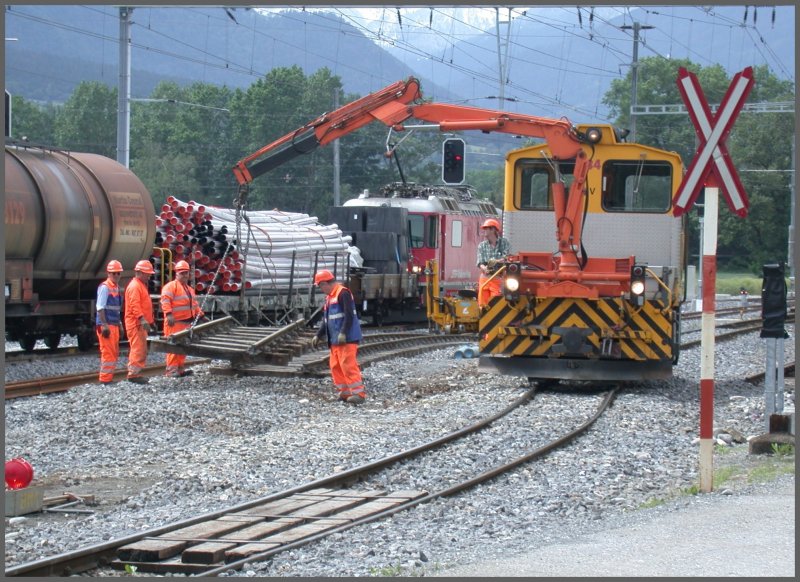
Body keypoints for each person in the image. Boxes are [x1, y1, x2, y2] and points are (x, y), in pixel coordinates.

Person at [311, 270, 366, 404]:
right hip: (335, 339)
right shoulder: (330, 297)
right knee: (336, 366)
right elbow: (327, 320)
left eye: (320, 286)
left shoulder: (343, 293)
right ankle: (346, 393)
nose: (321, 289)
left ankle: (358, 394)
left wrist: (343, 332)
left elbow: (349, 315)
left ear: (324, 283)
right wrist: (318, 335)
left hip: (347, 338)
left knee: (347, 365)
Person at [160, 260, 205, 377]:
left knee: (182, 347)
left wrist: (202, 316)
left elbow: (194, 306)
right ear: (177, 273)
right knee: (173, 347)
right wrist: (168, 314)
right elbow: (165, 300)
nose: (185, 275)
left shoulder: (189, 289)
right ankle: (171, 371)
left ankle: (180, 369)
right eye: (182, 273)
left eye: (186, 273)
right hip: (174, 323)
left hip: (186, 323)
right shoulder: (170, 287)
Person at [124, 259, 156, 384]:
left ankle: (135, 374)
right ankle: (133, 375)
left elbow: (143, 305)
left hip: (138, 323)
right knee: (138, 349)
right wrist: (142, 319)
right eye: (147, 274)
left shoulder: (139, 285)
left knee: (140, 348)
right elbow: (134, 305)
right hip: (136, 324)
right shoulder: (135, 286)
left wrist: (150, 321)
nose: (149, 276)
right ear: (140, 272)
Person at [96, 260, 124, 385]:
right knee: (108, 352)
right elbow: (100, 307)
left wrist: (120, 324)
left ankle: (108, 378)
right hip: (107, 325)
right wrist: (104, 325)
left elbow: (117, 309)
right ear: (108, 273)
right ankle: (105, 379)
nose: (116, 275)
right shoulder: (105, 287)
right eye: (114, 273)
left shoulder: (116, 288)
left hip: (113, 324)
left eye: (118, 273)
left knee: (113, 352)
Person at [476, 218, 512, 307]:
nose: (484, 231)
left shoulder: (504, 243)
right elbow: (480, 262)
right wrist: (484, 268)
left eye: (486, 228)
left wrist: (496, 261)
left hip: (498, 278)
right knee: (482, 304)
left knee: (495, 304)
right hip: (485, 278)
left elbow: (507, 257)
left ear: (493, 229)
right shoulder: (482, 246)